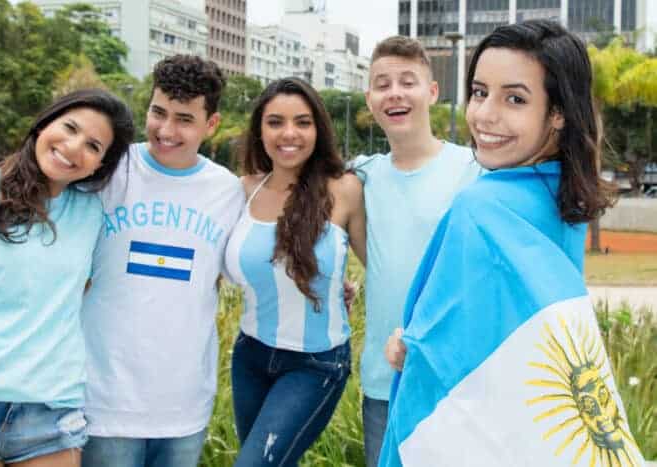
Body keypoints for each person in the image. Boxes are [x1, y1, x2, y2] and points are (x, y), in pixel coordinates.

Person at [380, 20, 644, 466]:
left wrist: (414, 346)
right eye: (480, 92)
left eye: (514, 99)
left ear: (557, 113)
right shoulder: (564, 198)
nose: (484, 115)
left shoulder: (481, 207)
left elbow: (442, 348)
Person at [80, 55, 244, 467]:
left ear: (212, 125)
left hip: (184, 407)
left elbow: (250, 268)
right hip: (104, 403)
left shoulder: (227, 191)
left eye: (184, 119)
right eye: (158, 113)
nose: (166, 131)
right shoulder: (109, 170)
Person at [0, 89, 134, 467]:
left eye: (93, 146)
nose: (72, 147)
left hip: (50, 411)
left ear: (99, 165)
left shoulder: (91, 215)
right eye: (69, 128)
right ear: (43, 125)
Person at [350, 36, 481, 467]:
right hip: (383, 385)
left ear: (432, 92)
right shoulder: (363, 176)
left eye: (408, 82)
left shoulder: (472, 170)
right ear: (369, 98)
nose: (395, 93)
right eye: (382, 84)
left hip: (453, 382)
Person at [223, 77, 366, 466]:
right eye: (275, 122)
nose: (289, 134)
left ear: (318, 129)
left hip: (315, 363)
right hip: (250, 355)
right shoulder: (240, 190)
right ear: (259, 131)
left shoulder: (345, 189)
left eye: (303, 122)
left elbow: (383, 266)